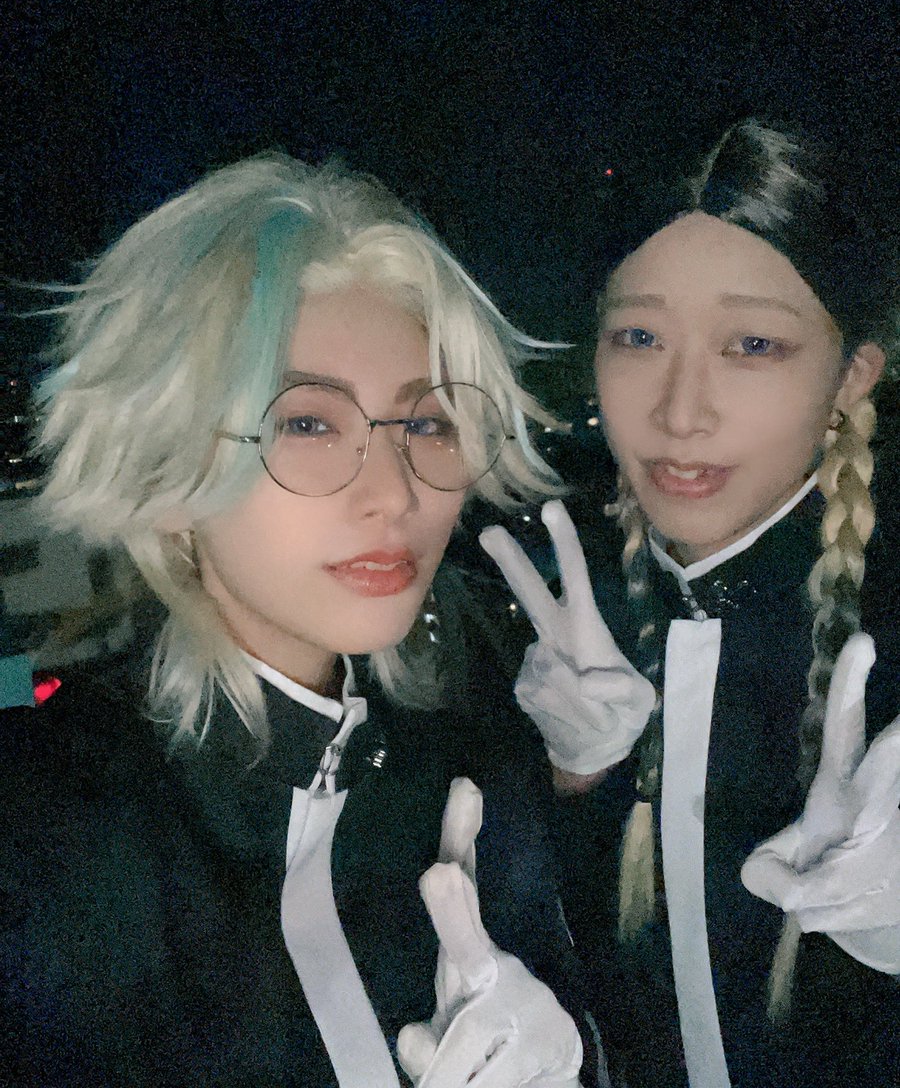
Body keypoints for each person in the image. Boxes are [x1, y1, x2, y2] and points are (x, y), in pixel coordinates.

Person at [0, 154, 598, 1088]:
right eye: (308, 424)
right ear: (166, 474)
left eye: (427, 423)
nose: (394, 492)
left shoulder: (474, 772)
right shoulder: (46, 835)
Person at [481, 120, 899, 1086]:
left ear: (851, 376)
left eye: (752, 344)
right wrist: (574, 785)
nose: (679, 411)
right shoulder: (554, 612)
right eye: (639, 337)